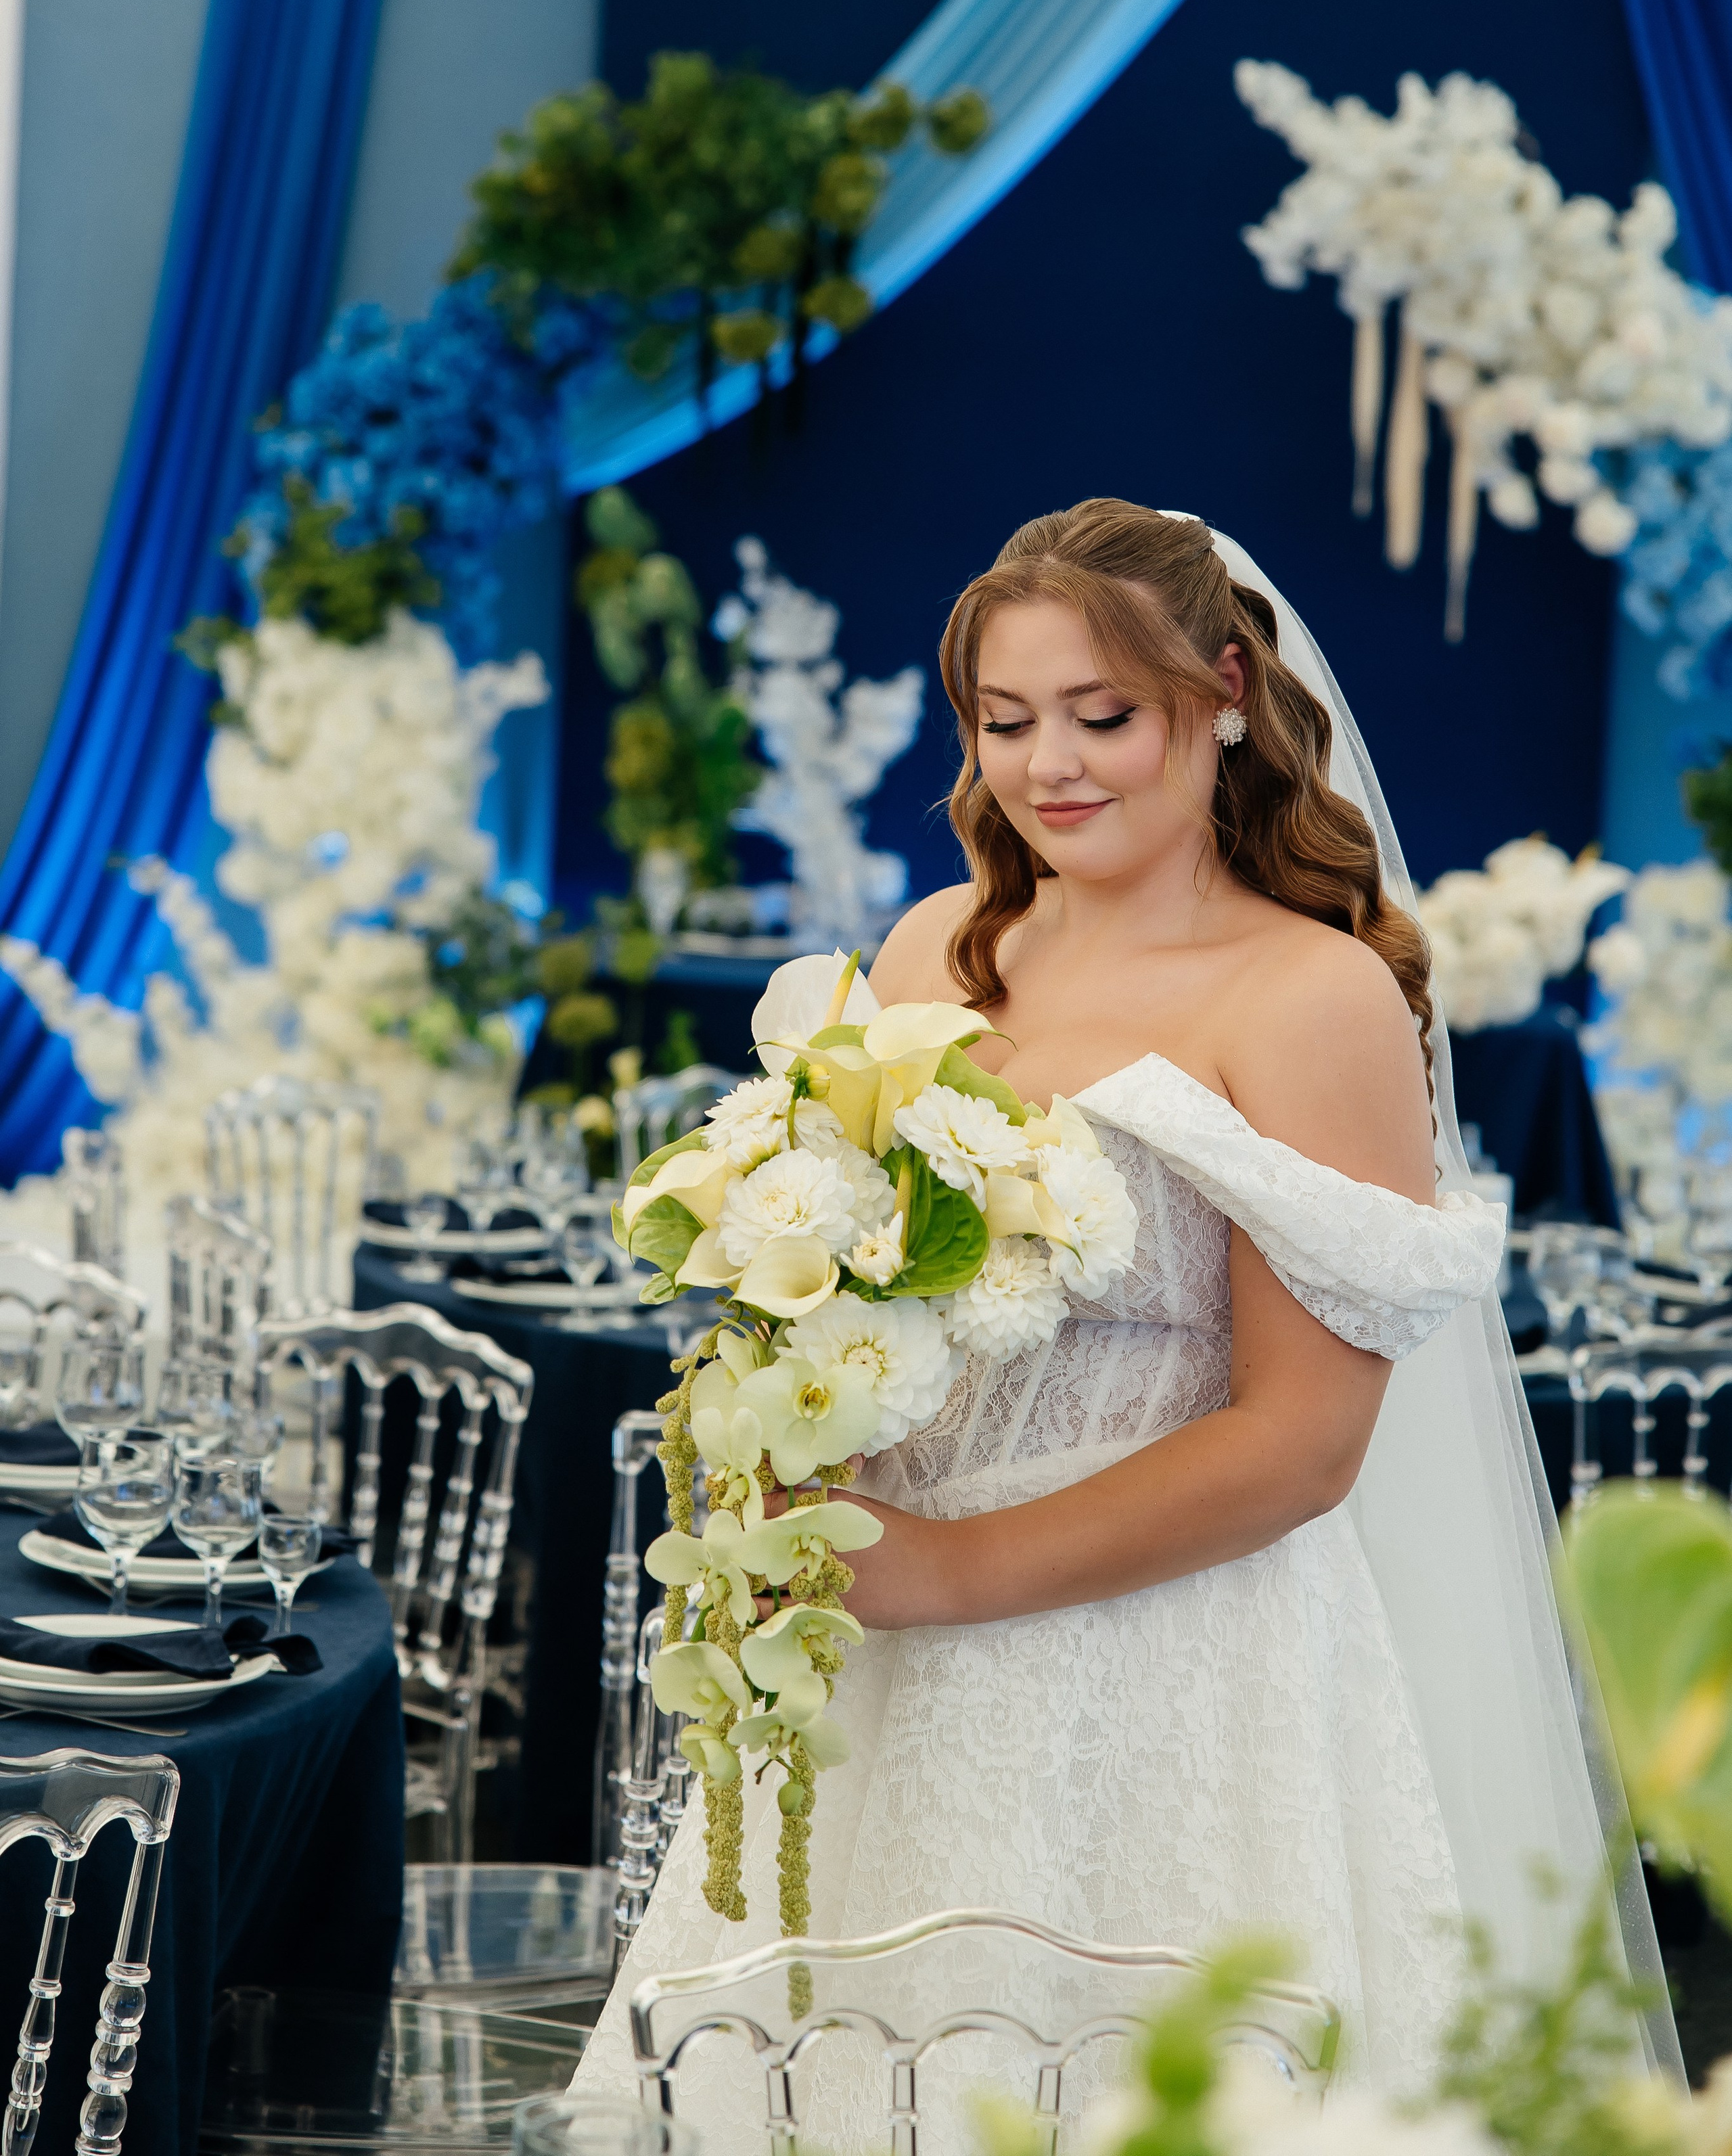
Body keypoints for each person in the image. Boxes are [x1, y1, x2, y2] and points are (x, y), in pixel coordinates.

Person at [578, 499, 1677, 2110]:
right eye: (1005, 722)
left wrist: (949, 1573)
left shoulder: (1309, 997)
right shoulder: (936, 950)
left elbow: (1302, 1445)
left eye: (1103, 717)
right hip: (887, 1653)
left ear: (1224, 694)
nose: (1051, 767)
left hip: (1175, 1668)